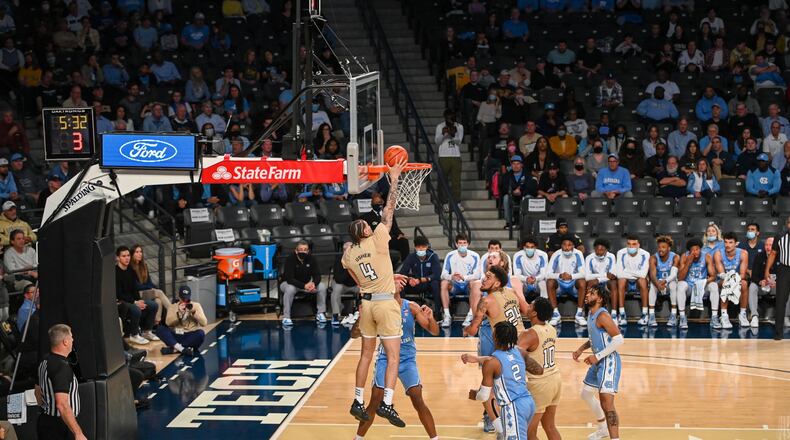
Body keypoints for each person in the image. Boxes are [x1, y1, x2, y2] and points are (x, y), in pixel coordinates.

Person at [341, 161, 406, 426]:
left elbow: (353, 275)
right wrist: (394, 179)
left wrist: (368, 281)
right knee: (393, 356)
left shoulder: (350, 253)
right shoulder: (378, 236)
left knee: (366, 355)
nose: (369, 224)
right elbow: (389, 209)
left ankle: (357, 401)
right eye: (365, 224)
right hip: (385, 304)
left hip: (366, 304)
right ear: (365, 231)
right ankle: (387, 403)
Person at [354, 284, 440, 440]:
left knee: (417, 397)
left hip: (407, 360)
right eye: (394, 280)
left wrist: (431, 318)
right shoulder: (378, 309)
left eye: (399, 280)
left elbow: (434, 331)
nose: (398, 282)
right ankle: (358, 438)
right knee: (375, 400)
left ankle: (435, 438)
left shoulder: (411, 307)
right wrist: (361, 318)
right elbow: (354, 334)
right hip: (386, 359)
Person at [463, 266, 530, 436]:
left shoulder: (486, 301)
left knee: (486, 393)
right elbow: (526, 310)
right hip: (524, 345)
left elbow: (473, 329)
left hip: (509, 348)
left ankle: (502, 430)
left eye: (488, 277)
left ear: (497, 283)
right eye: (484, 276)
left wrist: (466, 330)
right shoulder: (511, 292)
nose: (484, 279)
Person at [573, 285, 624, 440]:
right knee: (586, 393)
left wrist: (597, 356)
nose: (587, 295)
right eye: (588, 292)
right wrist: (581, 349)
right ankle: (603, 428)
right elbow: (594, 338)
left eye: (592, 293)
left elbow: (619, 339)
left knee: (607, 405)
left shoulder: (602, 316)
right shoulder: (591, 314)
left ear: (600, 299)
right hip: (599, 361)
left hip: (608, 362)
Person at [36, 324, 86, 440]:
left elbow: (37, 391)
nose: (73, 340)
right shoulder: (61, 367)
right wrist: (78, 433)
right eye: (71, 337)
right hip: (60, 426)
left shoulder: (44, 360)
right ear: (65, 342)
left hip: (46, 421)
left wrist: (47, 407)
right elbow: (62, 404)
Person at [116, 246, 159, 344]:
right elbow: (118, 294)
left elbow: (134, 288)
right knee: (135, 309)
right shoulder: (115, 272)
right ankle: (134, 335)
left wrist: (139, 300)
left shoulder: (131, 270)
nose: (127, 258)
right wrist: (135, 302)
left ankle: (147, 331)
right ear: (118, 258)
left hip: (133, 300)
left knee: (153, 305)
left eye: (128, 255)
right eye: (123, 256)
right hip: (122, 302)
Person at [280, 241, 328, 326]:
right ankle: (286, 317)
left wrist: (313, 284)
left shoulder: (312, 258)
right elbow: (290, 279)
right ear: (296, 251)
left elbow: (317, 275)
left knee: (322, 286)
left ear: (308, 251)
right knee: (290, 289)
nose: (303, 251)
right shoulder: (290, 259)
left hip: (306, 284)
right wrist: (304, 286)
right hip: (289, 284)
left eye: (305, 249)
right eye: (301, 249)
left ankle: (320, 313)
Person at [439, 233, 480, 328]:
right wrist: (451, 277)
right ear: (456, 244)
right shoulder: (450, 255)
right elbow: (443, 274)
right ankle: (447, 315)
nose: (462, 245)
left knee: (474, 283)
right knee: (444, 283)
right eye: (460, 243)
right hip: (455, 285)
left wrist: (464, 277)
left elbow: (477, 275)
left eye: (464, 243)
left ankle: (470, 316)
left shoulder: (475, 256)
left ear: (468, 244)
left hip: (468, 285)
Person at [678, 239, 719, 329]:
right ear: (689, 251)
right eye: (692, 250)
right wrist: (688, 263)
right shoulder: (684, 256)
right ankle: (682, 317)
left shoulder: (707, 256)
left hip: (702, 286)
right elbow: (680, 278)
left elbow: (713, 276)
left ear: (700, 249)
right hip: (689, 286)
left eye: (697, 249)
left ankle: (714, 317)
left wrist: (703, 282)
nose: (695, 252)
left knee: (714, 285)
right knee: (681, 285)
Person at [546, 235, 587, 326]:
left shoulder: (578, 254)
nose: (567, 247)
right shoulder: (556, 254)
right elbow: (547, 274)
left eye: (569, 245)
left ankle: (579, 314)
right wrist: (560, 275)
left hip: (573, 284)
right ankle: (555, 314)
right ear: (561, 245)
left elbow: (583, 274)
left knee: (582, 281)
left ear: (573, 246)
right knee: (550, 282)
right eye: (564, 245)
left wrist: (571, 276)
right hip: (560, 285)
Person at [156, 286, 207, 357]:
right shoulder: (172, 306)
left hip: (190, 335)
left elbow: (204, 323)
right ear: (179, 297)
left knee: (201, 333)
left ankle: (175, 348)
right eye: (183, 298)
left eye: (187, 299)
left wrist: (195, 314)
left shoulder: (196, 305)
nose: (185, 301)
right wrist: (179, 314)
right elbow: (168, 323)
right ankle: (182, 349)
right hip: (177, 333)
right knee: (160, 329)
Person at [398, 236, 441, 318]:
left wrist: (421, 280)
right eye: (418, 247)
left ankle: (438, 313)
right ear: (415, 247)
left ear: (427, 246)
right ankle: (402, 312)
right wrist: (410, 279)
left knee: (435, 283)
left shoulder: (433, 256)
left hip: (428, 284)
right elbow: (402, 273)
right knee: (401, 283)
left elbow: (436, 274)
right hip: (415, 284)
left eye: (423, 247)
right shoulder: (411, 257)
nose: (421, 249)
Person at [360, 192, 410, 262]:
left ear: (383, 202)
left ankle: (405, 263)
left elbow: (395, 228)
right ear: (371, 204)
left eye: (379, 202)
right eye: (375, 203)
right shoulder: (366, 217)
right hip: (377, 241)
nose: (378, 204)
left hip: (390, 239)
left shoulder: (389, 215)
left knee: (403, 241)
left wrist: (400, 234)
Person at [714, 232, 750, 329]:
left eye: (730, 242)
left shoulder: (743, 253)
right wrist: (731, 280)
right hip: (722, 280)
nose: (727, 245)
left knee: (744, 284)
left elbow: (743, 274)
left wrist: (734, 280)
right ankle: (724, 315)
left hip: (738, 279)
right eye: (726, 242)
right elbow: (722, 274)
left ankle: (742, 314)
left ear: (736, 243)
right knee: (726, 283)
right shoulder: (718, 253)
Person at [130, 244, 172, 327]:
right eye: (136, 252)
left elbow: (149, 282)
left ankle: (156, 323)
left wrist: (152, 288)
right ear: (132, 254)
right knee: (159, 292)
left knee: (158, 300)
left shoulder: (144, 266)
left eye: (140, 252)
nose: (139, 254)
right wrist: (150, 288)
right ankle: (173, 312)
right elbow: (136, 286)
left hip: (146, 292)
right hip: (137, 294)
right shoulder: (130, 268)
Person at [615, 235, 651, 326]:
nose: (631, 246)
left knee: (642, 280)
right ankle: (622, 314)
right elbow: (619, 274)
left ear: (638, 245)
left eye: (634, 244)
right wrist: (635, 273)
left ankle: (645, 314)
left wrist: (626, 271)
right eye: (629, 244)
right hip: (626, 282)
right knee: (621, 280)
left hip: (638, 283)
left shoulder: (645, 254)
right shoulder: (620, 253)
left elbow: (643, 274)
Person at [649, 236, 681, 327]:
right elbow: (652, 275)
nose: (660, 249)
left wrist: (665, 281)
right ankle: (651, 316)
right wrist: (658, 284)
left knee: (673, 284)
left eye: (663, 247)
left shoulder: (675, 257)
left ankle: (673, 315)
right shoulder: (653, 258)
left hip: (669, 282)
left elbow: (673, 275)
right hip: (658, 282)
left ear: (669, 248)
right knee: (652, 285)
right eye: (659, 247)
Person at [500, 155, 536, 229]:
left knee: (528, 197)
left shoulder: (527, 174)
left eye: (518, 164)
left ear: (521, 165)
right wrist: (513, 192)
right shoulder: (507, 175)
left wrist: (521, 192)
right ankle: (510, 223)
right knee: (506, 197)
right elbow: (504, 188)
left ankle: (526, 223)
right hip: (512, 197)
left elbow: (531, 188)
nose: (516, 166)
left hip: (524, 196)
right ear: (511, 165)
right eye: (514, 164)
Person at [585, 238, 618, 309]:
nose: (599, 252)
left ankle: (614, 312)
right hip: (595, 283)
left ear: (606, 250)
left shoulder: (611, 256)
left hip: (606, 283)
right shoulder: (589, 258)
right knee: (590, 283)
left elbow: (612, 275)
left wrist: (599, 280)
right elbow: (587, 276)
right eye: (597, 249)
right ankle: (589, 310)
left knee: (613, 283)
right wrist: (605, 275)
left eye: (602, 249)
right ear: (594, 249)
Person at [332, 242, 360, 326]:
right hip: (342, 284)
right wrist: (347, 267)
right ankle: (335, 315)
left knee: (366, 289)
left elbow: (361, 276)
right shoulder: (338, 260)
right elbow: (338, 279)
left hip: (355, 284)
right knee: (336, 290)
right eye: (347, 250)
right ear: (344, 251)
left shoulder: (358, 259)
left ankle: (359, 313)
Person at [513, 236, 549, 301]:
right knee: (517, 283)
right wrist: (526, 279)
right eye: (527, 247)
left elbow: (543, 274)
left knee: (543, 284)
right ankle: (520, 305)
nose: (530, 249)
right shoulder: (518, 255)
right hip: (524, 281)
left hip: (537, 281)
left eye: (532, 247)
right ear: (524, 247)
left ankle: (544, 304)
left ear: (535, 247)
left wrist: (535, 279)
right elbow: (517, 274)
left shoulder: (543, 255)